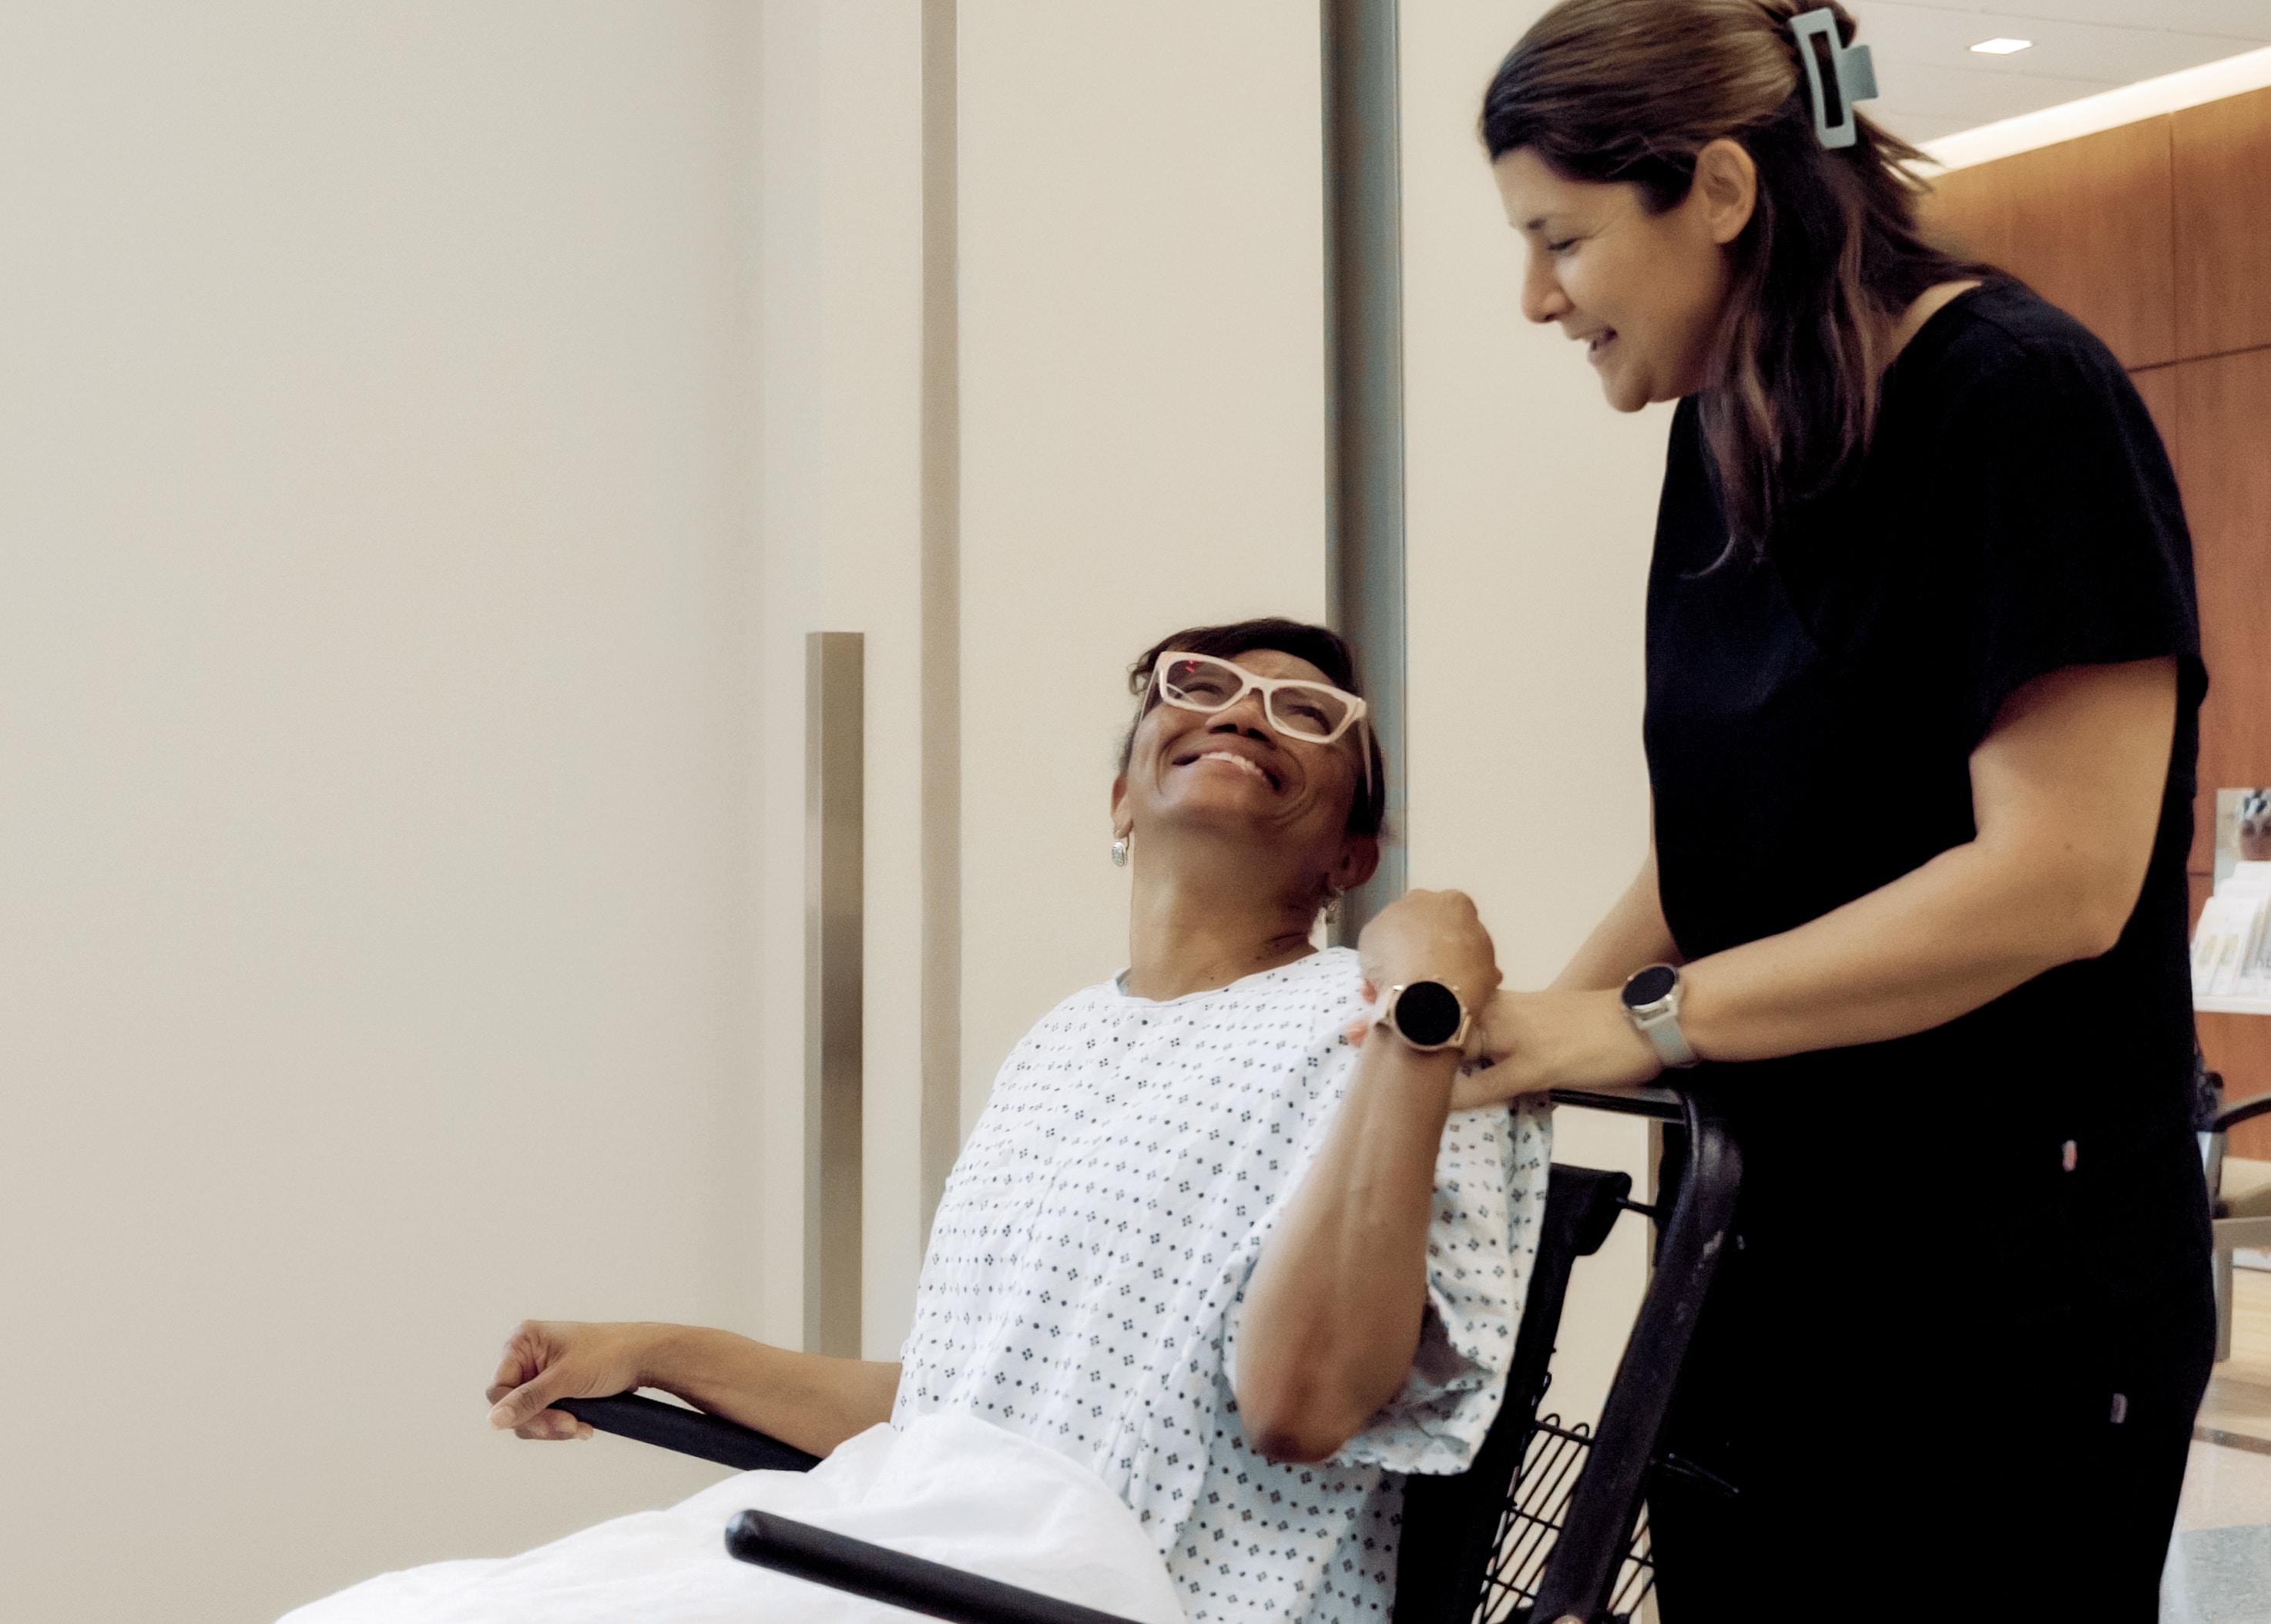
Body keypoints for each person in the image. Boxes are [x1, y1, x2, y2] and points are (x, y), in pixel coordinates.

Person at [283, 619, 1548, 1624]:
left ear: (1353, 855)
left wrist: (1415, 1001)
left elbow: (1301, 1404)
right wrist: (662, 1349)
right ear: (1118, 799)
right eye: (1202, 684)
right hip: (925, 1548)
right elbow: (961, 1422)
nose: (1243, 713)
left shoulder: (1386, 1022)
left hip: (1111, 1597)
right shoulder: (1062, 1043)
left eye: (1307, 715)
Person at [1458, 2, 2210, 1616]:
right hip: (1762, 1259)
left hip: (2013, 1293)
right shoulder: (1725, 424)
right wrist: (1536, 1031)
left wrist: (1645, 1024)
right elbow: (1730, 816)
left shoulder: (2018, 402)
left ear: (1717, 190)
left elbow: (2054, 881)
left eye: (1558, 240)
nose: (1533, 299)